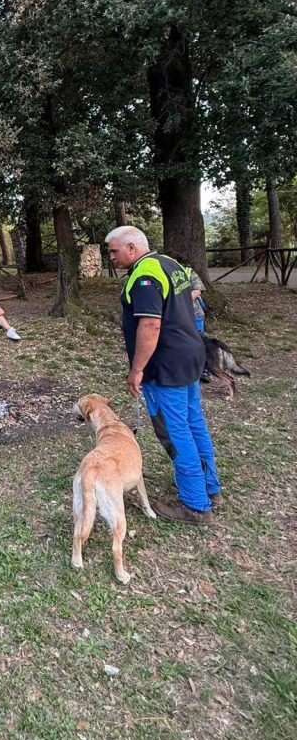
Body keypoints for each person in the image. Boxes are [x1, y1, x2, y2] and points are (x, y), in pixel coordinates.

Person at [105, 225, 221, 525]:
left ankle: (195, 505)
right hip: (190, 356)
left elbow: (150, 325)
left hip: (166, 366)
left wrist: (137, 369)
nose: (111, 257)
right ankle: (210, 487)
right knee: (194, 423)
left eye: (114, 251)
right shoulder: (170, 264)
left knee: (175, 431)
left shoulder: (145, 275)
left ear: (132, 248)